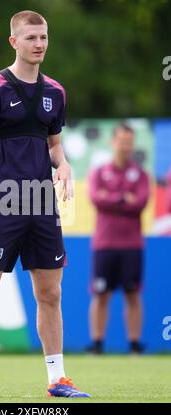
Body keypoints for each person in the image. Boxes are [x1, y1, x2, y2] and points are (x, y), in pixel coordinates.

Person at [0, 10, 90, 398]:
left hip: (42, 205)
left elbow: (54, 145)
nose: (40, 44)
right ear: (14, 42)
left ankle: (57, 380)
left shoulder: (55, 92)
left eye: (44, 37)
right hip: (0, 202)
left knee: (50, 294)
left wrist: (63, 165)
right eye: (32, 38)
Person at [87, 123, 150, 355]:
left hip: (132, 244)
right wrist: (124, 198)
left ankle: (134, 343)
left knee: (133, 294)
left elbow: (141, 203)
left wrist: (111, 198)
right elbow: (96, 199)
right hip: (104, 243)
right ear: (112, 142)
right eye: (122, 141)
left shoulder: (141, 175)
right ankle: (97, 343)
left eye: (129, 142)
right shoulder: (98, 172)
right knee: (100, 293)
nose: (125, 147)